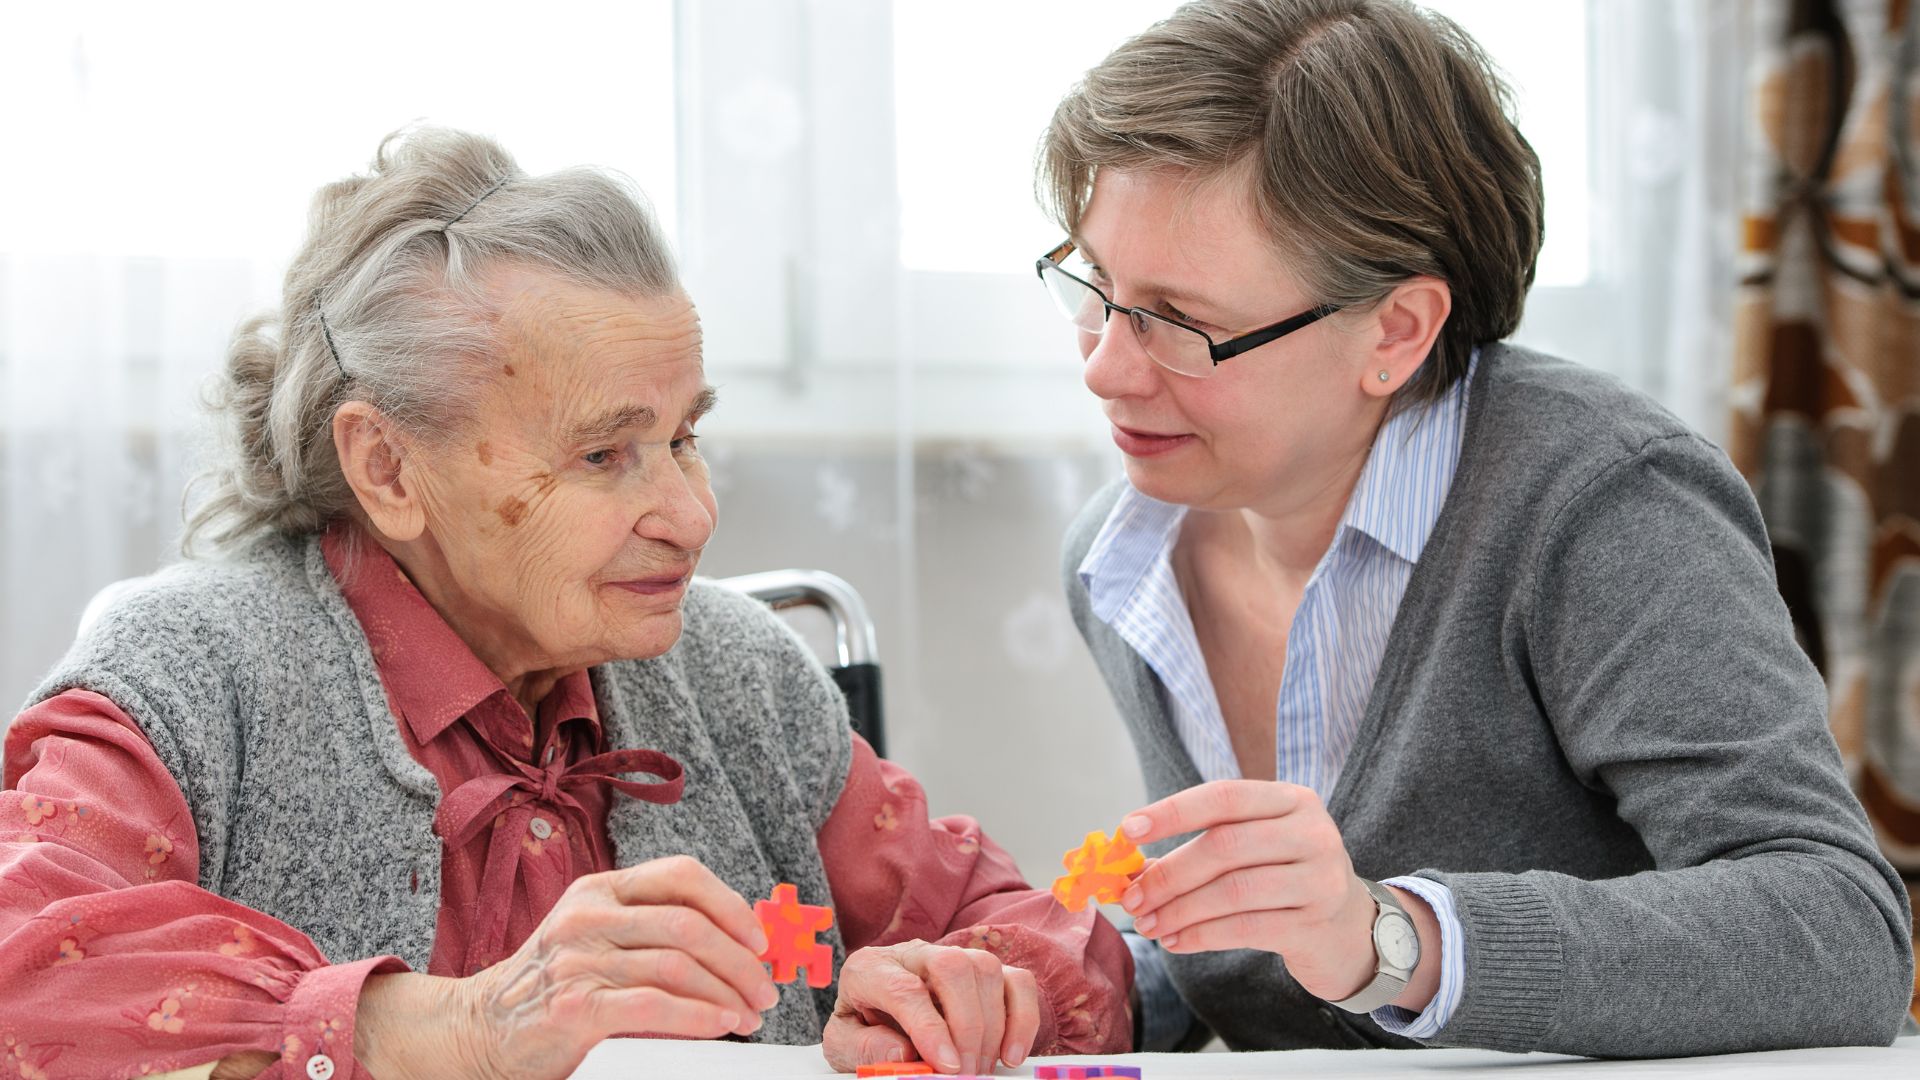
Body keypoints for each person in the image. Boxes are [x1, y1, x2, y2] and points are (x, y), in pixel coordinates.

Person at [0, 128, 1130, 1080]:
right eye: (603, 454)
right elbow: (22, 959)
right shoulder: (196, 673)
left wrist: (962, 998)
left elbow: (1065, 952)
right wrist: (463, 1024)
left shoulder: (734, 673)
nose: (692, 515)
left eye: (685, 436)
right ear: (387, 469)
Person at [1037, 0, 1914, 1056]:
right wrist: (1070, 982)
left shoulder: (1600, 505)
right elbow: (1275, 968)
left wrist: (1394, 938)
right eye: (1095, 286)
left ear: (1397, 332)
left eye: (1178, 323)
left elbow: (1840, 932)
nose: (1103, 367)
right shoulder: (1123, 557)